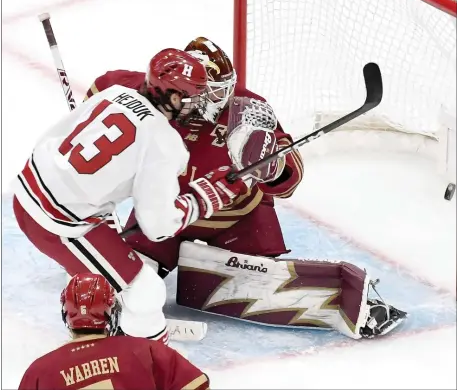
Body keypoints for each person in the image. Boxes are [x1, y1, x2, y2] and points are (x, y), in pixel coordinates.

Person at [83, 38, 407, 340]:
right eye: (209, 91)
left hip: (237, 221)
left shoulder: (250, 109)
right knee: (124, 279)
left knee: (262, 281)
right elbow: (104, 86)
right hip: (166, 217)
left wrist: (274, 167)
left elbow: (291, 178)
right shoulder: (158, 98)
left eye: (224, 88)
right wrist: (88, 116)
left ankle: (339, 301)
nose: (220, 98)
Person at [12, 48, 249, 344]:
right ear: (174, 98)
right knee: (146, 291)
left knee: (122, 268)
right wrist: (204, 197)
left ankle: (120, 309)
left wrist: (88, 199)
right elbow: (158, 226)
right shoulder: (164, 141)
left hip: (27, 190)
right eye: (195, 96)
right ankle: (147, 362)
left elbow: (50, 141)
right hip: (56, 224)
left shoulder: (113, 94)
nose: (199, 105)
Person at [19, 273, 210, 390]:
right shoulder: (147, 351)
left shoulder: (39, 372)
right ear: (113, 313)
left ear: (66, 314)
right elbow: (197, 385)